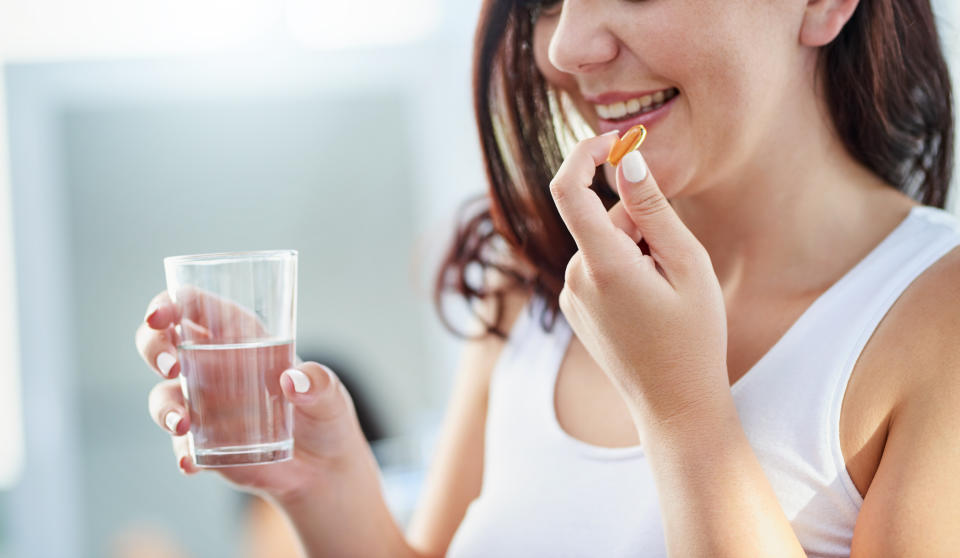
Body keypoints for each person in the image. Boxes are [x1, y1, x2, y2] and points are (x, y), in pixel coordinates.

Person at [135, 0, 960, 555]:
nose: (566, 46)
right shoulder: (536, 276)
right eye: (544, 1)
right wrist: (321, 481)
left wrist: (683, 412)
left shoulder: (935, 315)